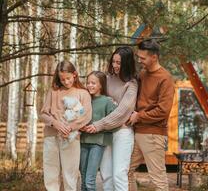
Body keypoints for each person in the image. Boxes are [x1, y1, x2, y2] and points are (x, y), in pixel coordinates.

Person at [85, 46, 138, 191]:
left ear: (126, 64)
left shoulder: (131, 84)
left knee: (119, 175)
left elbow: (122, 112)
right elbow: (94, 95)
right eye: (113, 61)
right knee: (106, 175)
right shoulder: (107, 79)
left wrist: (98, 125)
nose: (115, 65)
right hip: (106, 133)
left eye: (119, 63)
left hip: (122, 133)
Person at [127, 39, 175, 191]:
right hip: (137, 131)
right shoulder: (142, 74)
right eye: (138, 57)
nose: (139, 61)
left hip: (153, 135)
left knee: (158, 179)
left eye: (143, 58)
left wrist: (139, 116)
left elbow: (163, 111)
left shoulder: (165, 78)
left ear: (154, 57)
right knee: (125, 172)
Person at [40, 60, 92, 191]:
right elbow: (43, 114)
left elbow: (86, 116)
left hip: (71, 138)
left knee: (70, 174)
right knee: (51, 173)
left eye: (68, 78)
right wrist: (55, 123)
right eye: (62, 79)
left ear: (75, 74)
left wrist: (71, 127)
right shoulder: (53, 91)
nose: (66, 82)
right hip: (51, 137)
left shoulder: (83, 93)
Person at [80, 71, 116, 191]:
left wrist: (99, 127)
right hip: (83, 141)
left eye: (93, 83)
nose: (89, 85)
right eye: (88, 83)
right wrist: (80, 126)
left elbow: (114, 123)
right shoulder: (85, 100)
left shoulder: (107, 101)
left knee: (89, 180)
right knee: (83, 180)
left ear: (101, 85)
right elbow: (79, 117)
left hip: (97, 143)